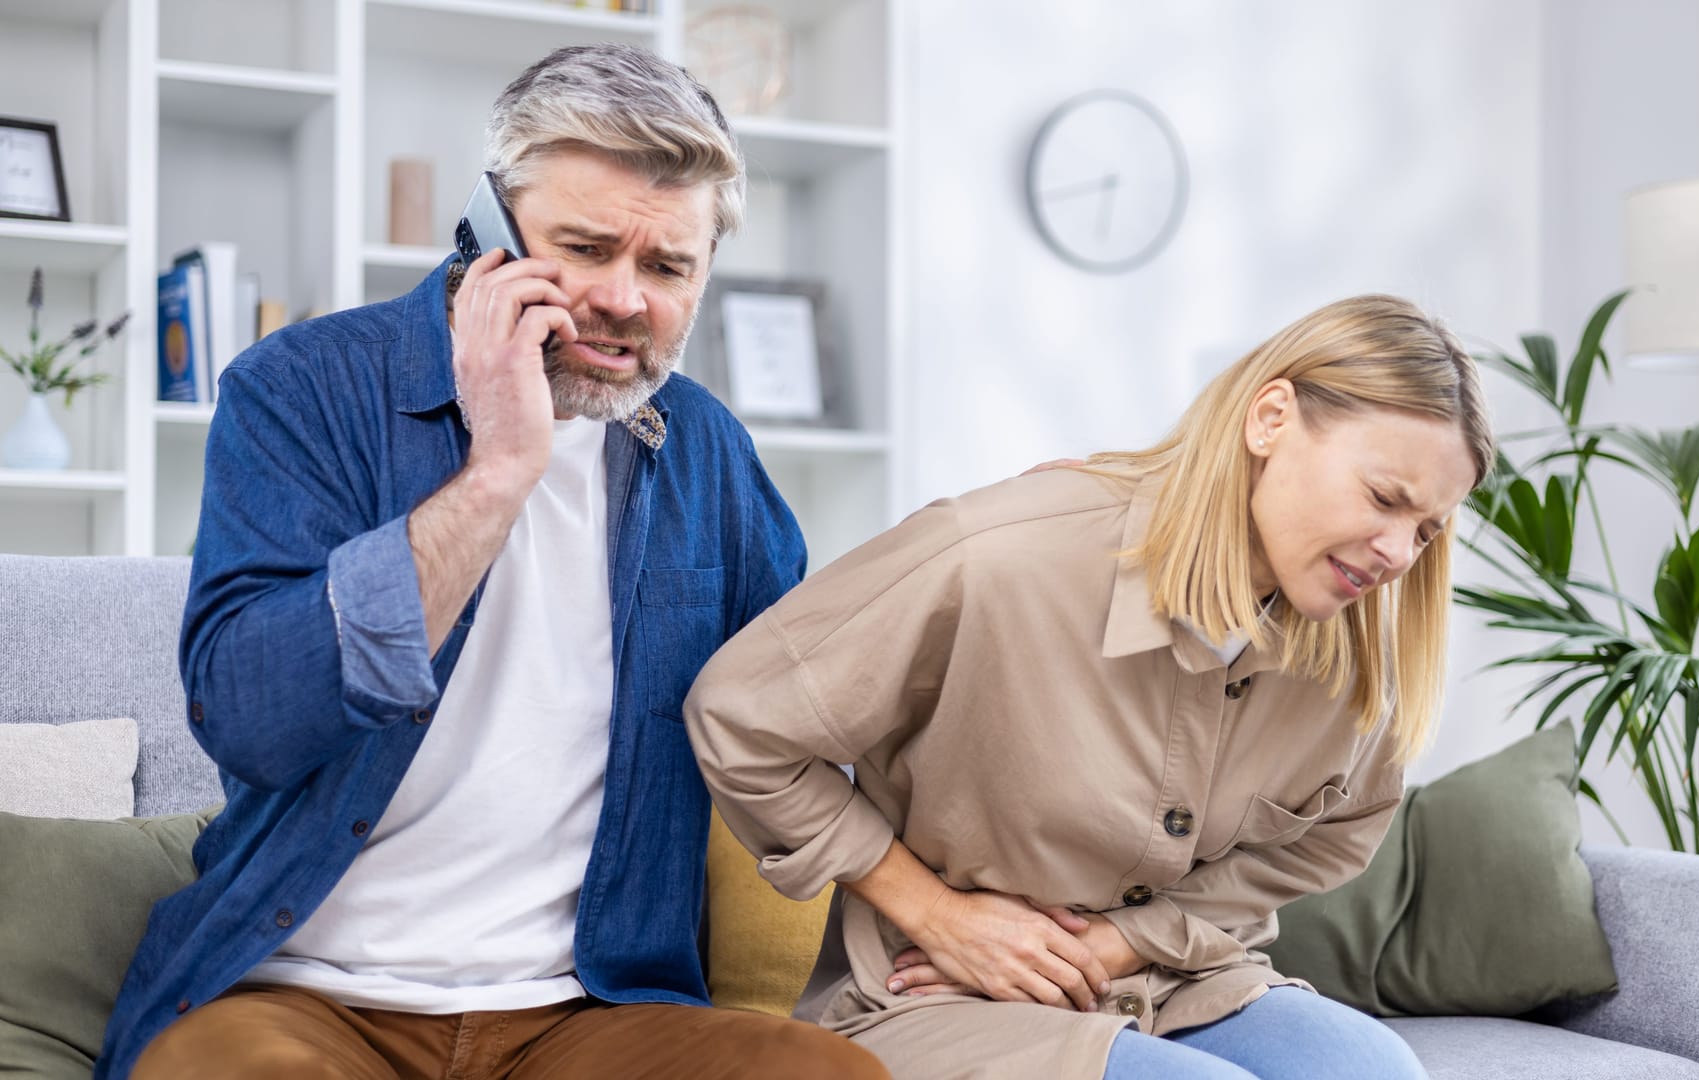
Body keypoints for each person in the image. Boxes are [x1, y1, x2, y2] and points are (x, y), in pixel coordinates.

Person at [97, 44, 887, 1080]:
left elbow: (808, 715)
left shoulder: (704, 451)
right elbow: (250, 714)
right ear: (488, 232)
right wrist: (501, 470)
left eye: (666, 267)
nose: (623, 299)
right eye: (586, 247)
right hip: (299, 994)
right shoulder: (305, 388)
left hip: (589, 1011)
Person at [685, 294, 1493, 1080]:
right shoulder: (999, 555)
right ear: (1270, 419)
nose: (1397, 552)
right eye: (1384, 498)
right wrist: (938, 915)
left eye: (1426, 529)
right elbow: (741, 718)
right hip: (937, 997)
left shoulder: (1350, 650)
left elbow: (1335, 835)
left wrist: (1130, 940)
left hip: (1173, 981)